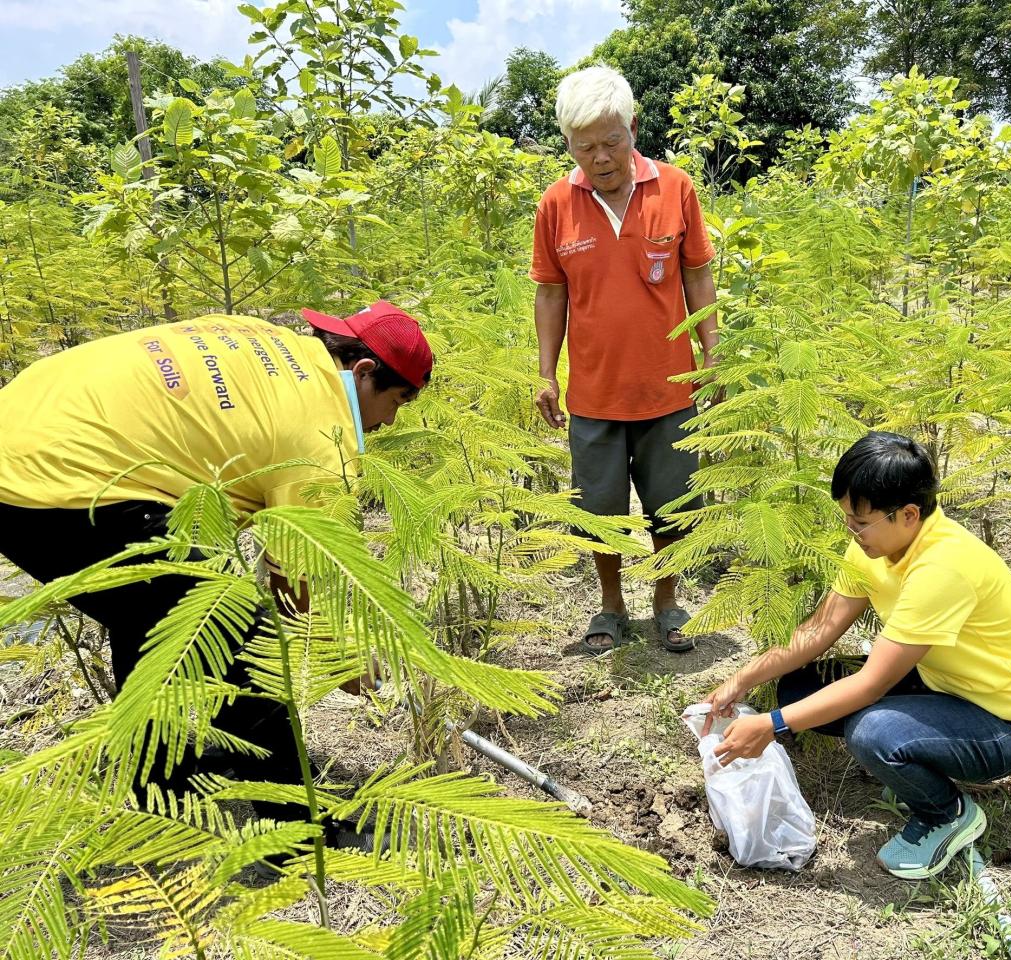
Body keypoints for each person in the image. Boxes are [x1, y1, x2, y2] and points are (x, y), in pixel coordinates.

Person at [0, 301, 432, 838]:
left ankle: (156, 781)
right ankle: (294, 830)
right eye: (396, 401)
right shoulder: (323, 433)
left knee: (153, 611)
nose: (390, 420)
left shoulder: (265, 338)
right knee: (227, 622)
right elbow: (296, 571)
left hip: (21, 428)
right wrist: (338, 657)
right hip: (65, 480)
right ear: (363, 373)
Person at [702, 432, 1011, 880]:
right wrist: (742, 680)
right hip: (940, 686)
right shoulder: (873, 544)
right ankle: (914, 755)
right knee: (801, 687)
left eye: (861, 521)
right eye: (848, 518)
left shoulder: (944, 566)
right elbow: (817, 631)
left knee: (871, 731)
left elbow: (872, 684)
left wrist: (772, 725)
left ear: (908, 514)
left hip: (1002, 725)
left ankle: (946, 813)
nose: (853, 530)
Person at [529, 65, 719, 655]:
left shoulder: (676, 188)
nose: (601, 157)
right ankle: (610, 605)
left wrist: (713, 357)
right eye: (586, 147)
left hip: (670, 390)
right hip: (594, 393)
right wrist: (545, 374)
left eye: (612, 141)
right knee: (599, 510)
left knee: (673, 502)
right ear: (569, 144)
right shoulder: (556, 205)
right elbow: (551, 292)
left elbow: (696, 273)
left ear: (633, 127)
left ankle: (667, 601)